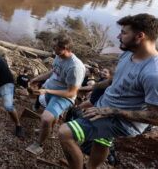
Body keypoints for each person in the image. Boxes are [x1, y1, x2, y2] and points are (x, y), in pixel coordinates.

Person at [58, 14, 158, 169]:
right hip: (105, 107)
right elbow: (114, 80)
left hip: (120, 120)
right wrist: (88, 88)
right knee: (102, 141)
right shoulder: (128, 53)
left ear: (140, 36)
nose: (119, 36)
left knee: (65, 133)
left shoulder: (153, 73)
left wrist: (111, 111)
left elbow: (155, 117)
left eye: (124, 33)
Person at [26, 34, 85, 155]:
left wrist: (47, 91)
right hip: (51, 89)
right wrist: (38, 78)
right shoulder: (59, 56)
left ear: (64, 48)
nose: (52, 49)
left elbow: (71, 92)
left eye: (55, 47)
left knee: (46, 118)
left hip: (63, 96)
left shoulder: (75, 67)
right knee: (52, 116)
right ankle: (50, 131)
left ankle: (39, 144)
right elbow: (54, 72)